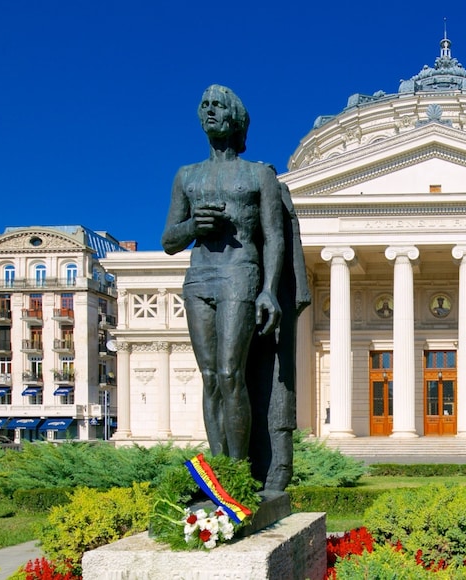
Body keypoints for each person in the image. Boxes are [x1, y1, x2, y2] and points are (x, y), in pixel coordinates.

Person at [162, 85, 309, 492]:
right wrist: (193, 226)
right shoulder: (186, 176)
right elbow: (169, 240)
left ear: (236, 118)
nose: (210, 111)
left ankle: (239, 472)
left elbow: (274, 237)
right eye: (204, 105)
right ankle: (219, 474)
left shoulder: (258, 175)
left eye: (219, 106)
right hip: (199, 277)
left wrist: (268, 290)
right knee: (210, 377)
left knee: (231, 373)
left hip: (240, 272)